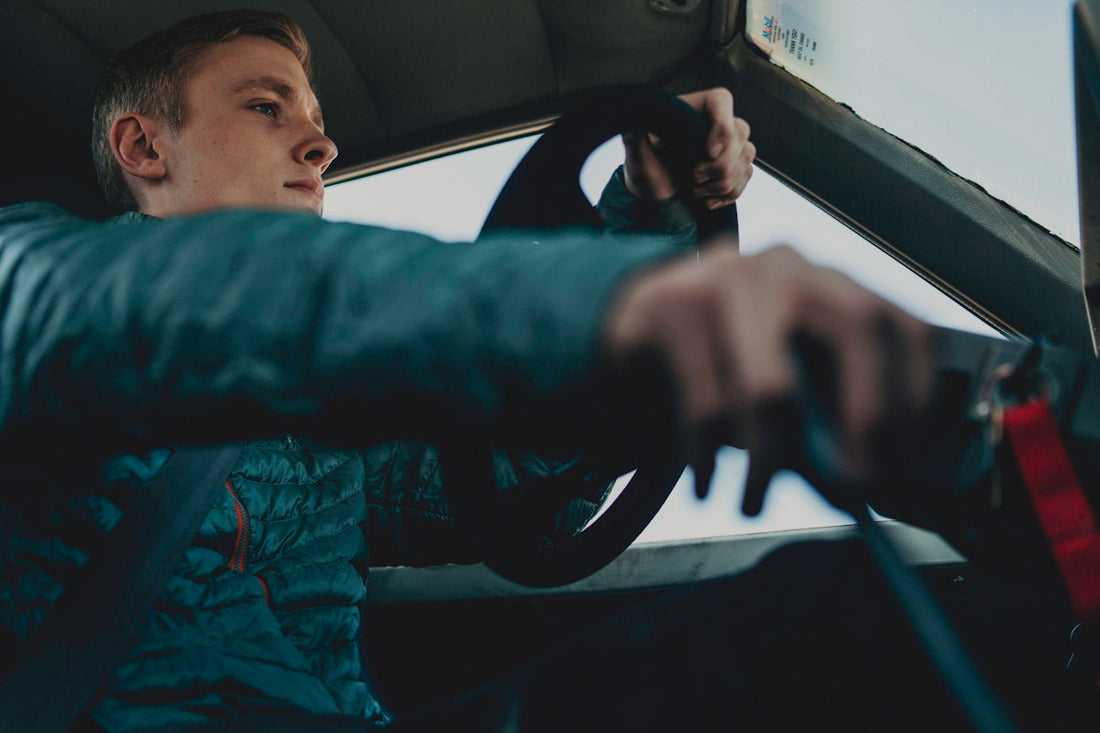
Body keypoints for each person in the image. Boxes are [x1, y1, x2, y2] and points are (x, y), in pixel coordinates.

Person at [0, 9, 946, 732]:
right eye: (264, 107)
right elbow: (181, 296)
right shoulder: (35, 289)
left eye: (317, 119)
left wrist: (649, 218)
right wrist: (593, 306)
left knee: (829, 607)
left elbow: (504, 477)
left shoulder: (330, 428)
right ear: (144, 147)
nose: (321, 144)